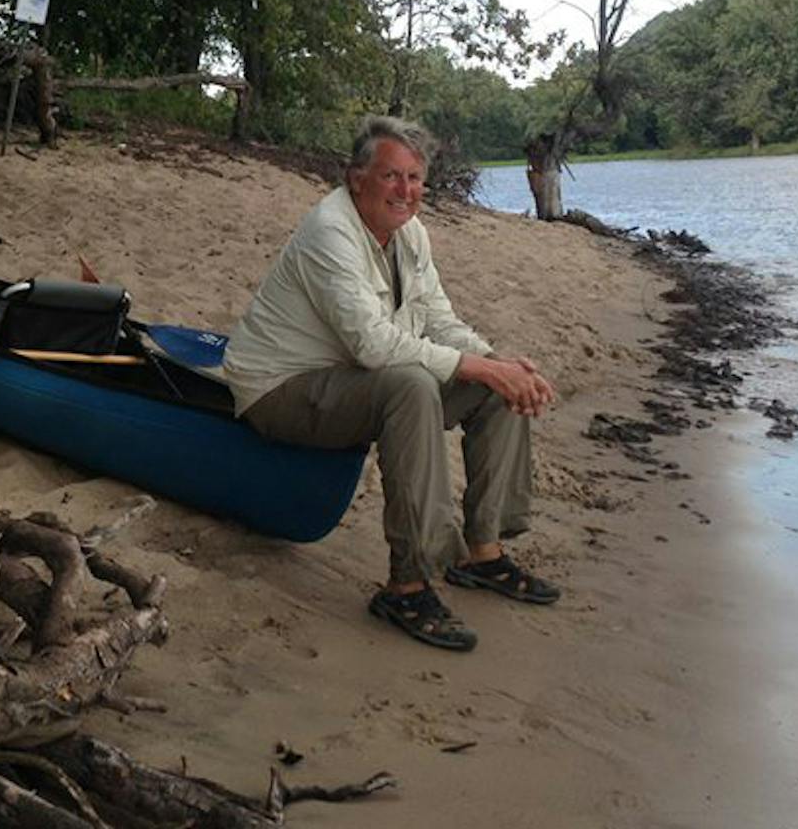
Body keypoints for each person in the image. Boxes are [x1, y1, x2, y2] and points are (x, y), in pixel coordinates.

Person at [223, 115, 560, 652]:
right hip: (280, 388)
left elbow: (438, 319)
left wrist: (497, 362)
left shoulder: (410, 233)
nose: (405, 191)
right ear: (357, 178)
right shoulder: (329, 231)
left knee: (496, 382)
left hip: (350, 380)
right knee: (412, 387)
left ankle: (484, 553)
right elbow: (373, 346)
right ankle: (407, 584)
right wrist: (477, 365)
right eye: (391, 177)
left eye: (415, 179)